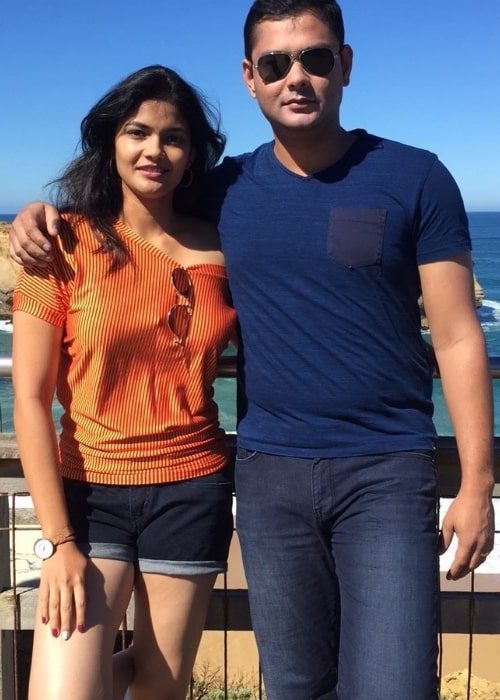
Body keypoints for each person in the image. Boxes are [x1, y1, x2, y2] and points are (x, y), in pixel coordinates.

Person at [9, 1, 496, 698]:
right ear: (250, 77)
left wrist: (476, 482)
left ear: (346, 64)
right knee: (293, 684)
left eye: (316, 58)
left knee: (391, 684)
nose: (296, 76)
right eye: (276, 63)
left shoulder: (414, 176)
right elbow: (134, 197)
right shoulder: (225, 187)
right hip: (266, 476)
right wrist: (37, 213)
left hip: (381, 470)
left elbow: (455, 334)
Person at [11, 64, 237, 700]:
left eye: (174, 137)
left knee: (161, 689)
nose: (154, 151)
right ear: (111, 142)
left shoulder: (224, 251)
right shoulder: (61, 244)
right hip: (89, 496)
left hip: (192, 488)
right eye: (138, 132)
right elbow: (28, 398)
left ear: (193, 155)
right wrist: (58, 542)